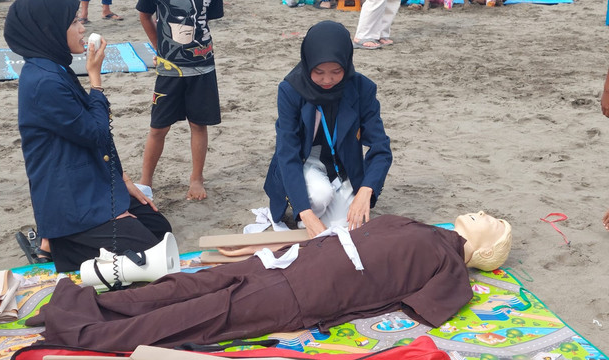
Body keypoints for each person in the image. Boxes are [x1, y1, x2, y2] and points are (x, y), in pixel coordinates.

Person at [26, 211, 512, 351]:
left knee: (194, 289)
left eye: (478, 220)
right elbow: (418, 312)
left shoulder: (425, 238)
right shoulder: (445, 263)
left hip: (290, 264)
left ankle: (76, 308)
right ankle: (81, 326)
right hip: (302, 284)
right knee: (196, 313)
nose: (473, 216)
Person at [4, 0, 172, 273]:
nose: (82, 28)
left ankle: (54, 243)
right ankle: (60, 243)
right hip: (72, 200)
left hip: (86, 181)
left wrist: (122, 180)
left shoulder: (53, 67)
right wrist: (96, 80)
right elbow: (96, 132)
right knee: (151, 257)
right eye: (73, 22)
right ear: (50, 30)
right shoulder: (44, 82)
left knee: (159, 229)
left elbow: (95, 136)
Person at [264, 21, 392, 239]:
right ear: (307, 63)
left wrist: (366, 189)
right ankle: (299, 208)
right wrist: (304, 212)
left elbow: (380, 148)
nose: (327, 80)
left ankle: (339, 196)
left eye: (336, 71)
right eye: (319, 71)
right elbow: (288, 154)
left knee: (346, 228)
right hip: (306, 159)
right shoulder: (290, 91)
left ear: (347, 63)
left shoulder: (363, 89)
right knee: (318, 198)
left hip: (342, 163)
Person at [136, 0, 224, 201]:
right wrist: (159, 46)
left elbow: (204, 19)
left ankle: (196, 178)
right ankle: (145, 181)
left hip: (203, 66)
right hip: (169, 69)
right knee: (158, 128)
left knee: (198, 124)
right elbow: (144, 14)